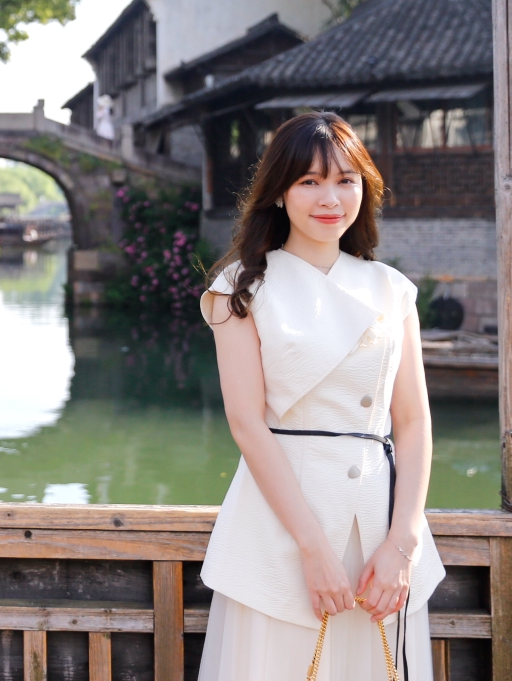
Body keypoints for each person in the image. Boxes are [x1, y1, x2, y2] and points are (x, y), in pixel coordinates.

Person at [197, 111, 443, 680]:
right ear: (279, 192)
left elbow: (412, 422)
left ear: (364, 189)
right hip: (283, 526)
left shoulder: (392, 289)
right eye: (309, 181)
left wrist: (402, 544)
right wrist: (312, 548)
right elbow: (247, 424)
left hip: (379, 531)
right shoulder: (241, 287)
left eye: (345, 180)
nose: (330, 198)